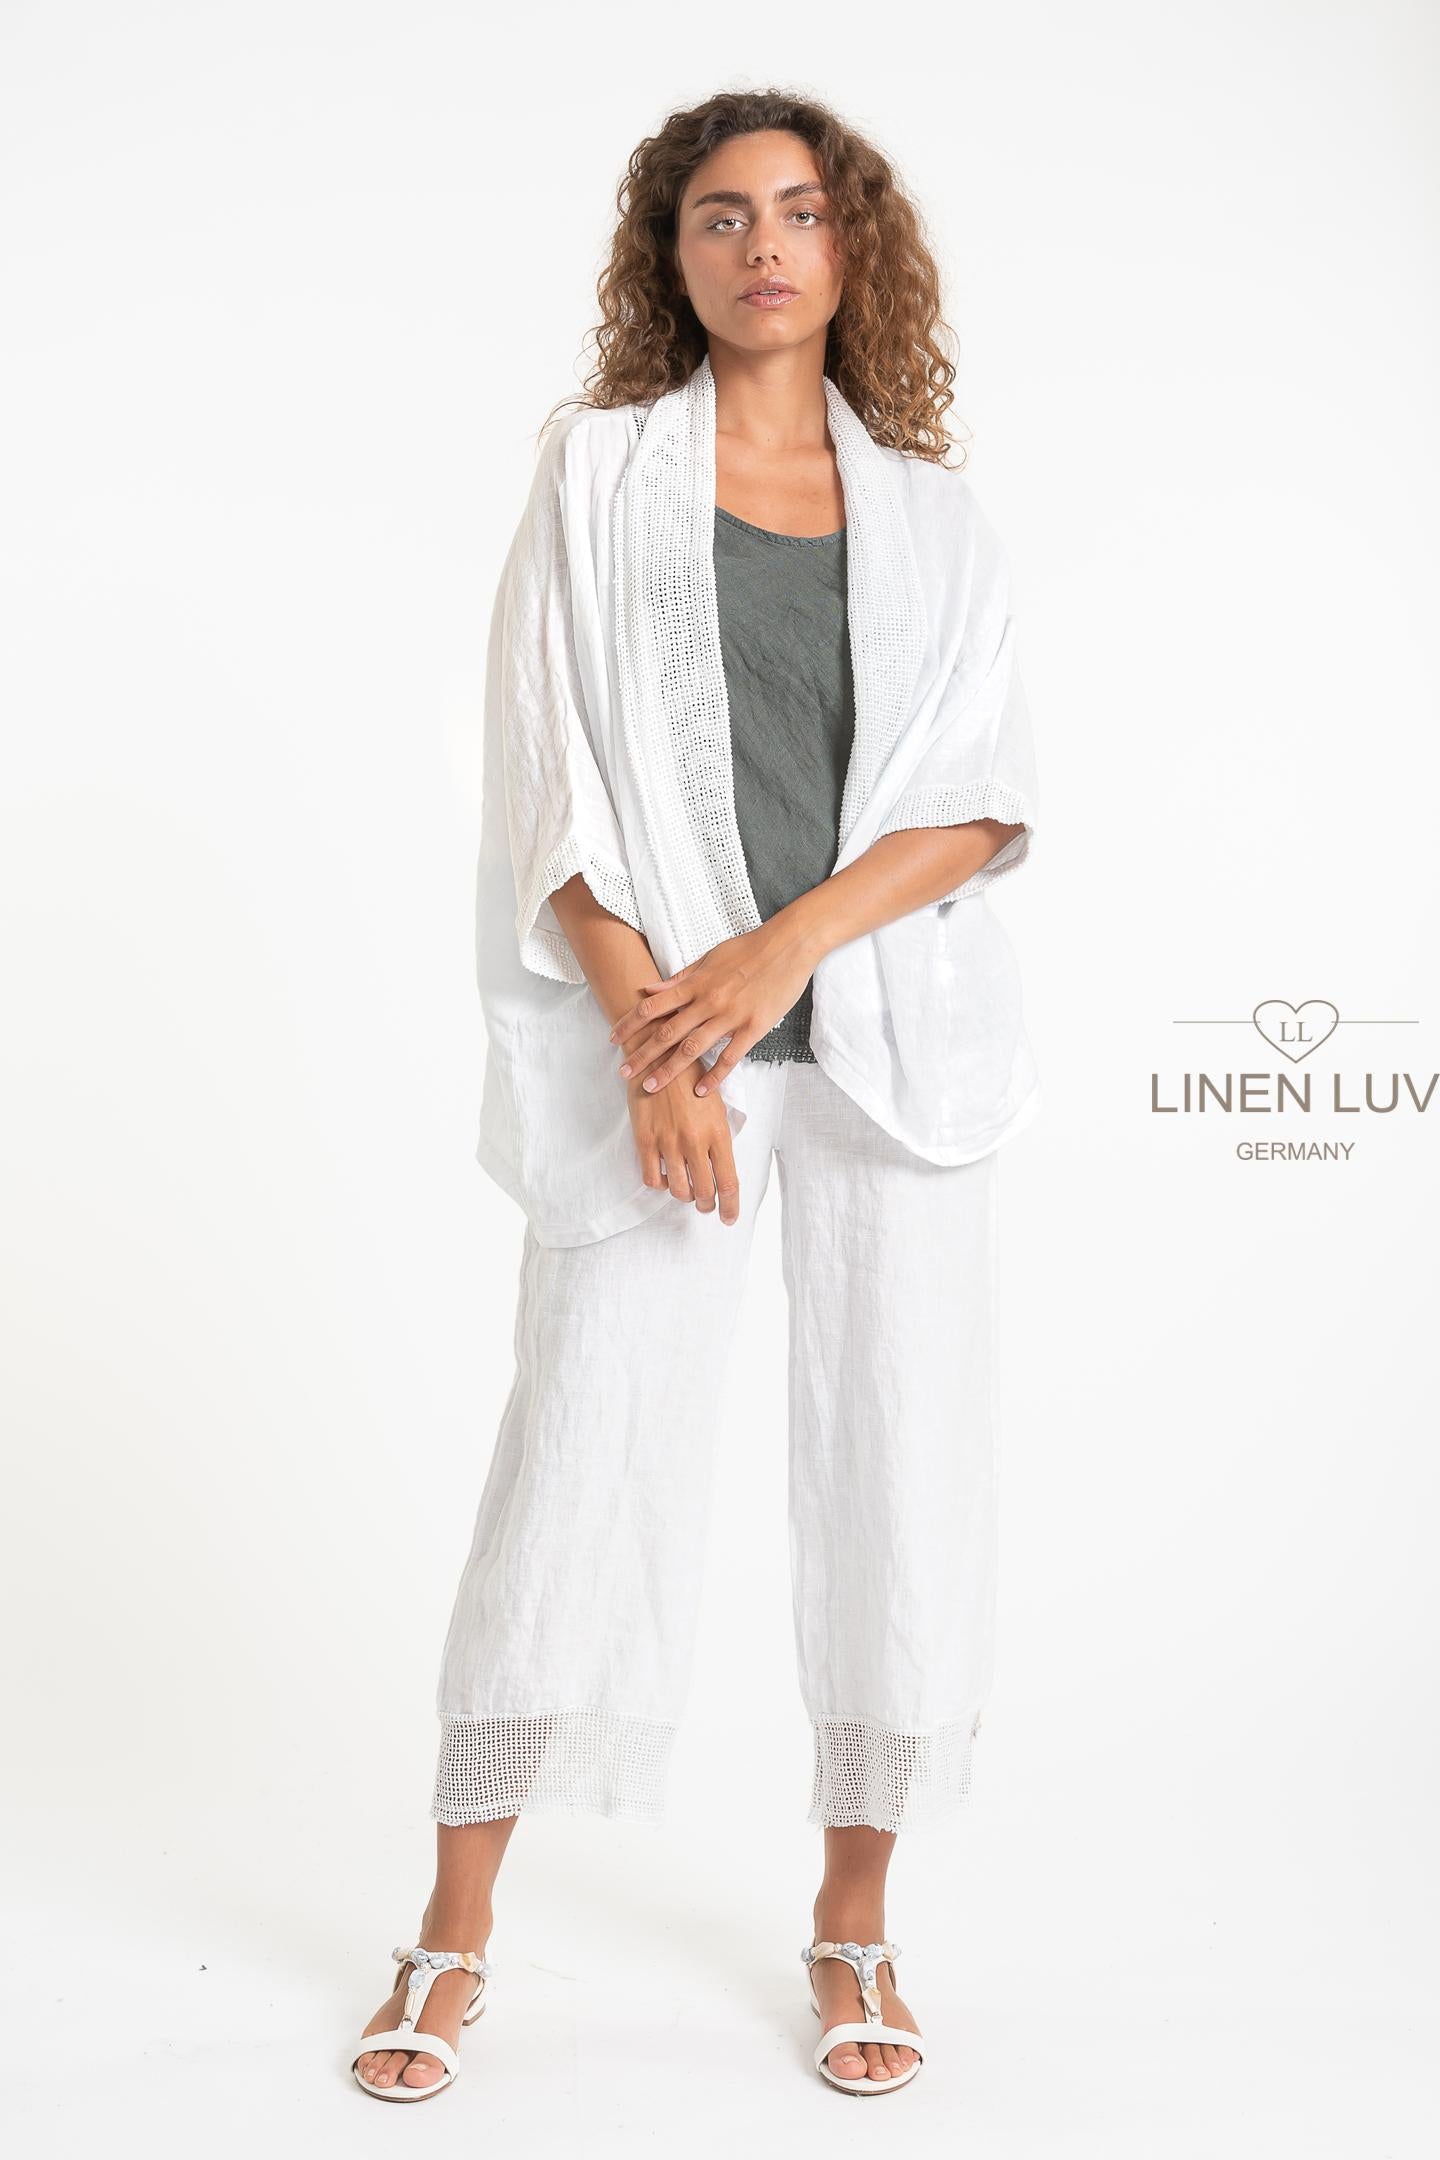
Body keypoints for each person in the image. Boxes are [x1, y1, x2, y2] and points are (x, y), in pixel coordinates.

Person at [353, 84, 1041, 2104]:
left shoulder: (935, 518)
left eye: (801, 212)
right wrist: (664, 1035)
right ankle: (451, 1929)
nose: (764, 246)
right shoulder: (596, 475)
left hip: (888, 1061)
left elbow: (983, 805)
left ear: (851, 249)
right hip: (655, 1049)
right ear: (672, 252)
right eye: (722, 214)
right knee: (571, 1458)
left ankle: (856, 1922)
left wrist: (780, 953)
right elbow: (544, 782)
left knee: (902, 1467)